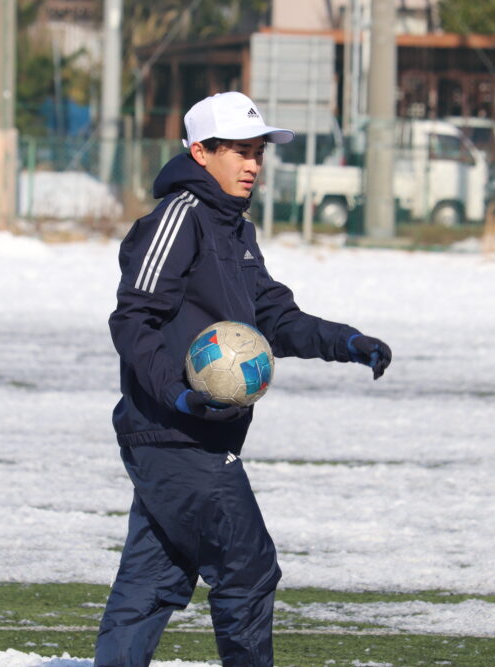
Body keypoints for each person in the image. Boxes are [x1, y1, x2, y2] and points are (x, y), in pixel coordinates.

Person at [97, 91, 391, 666]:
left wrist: (347, 342)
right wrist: (177, 394)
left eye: (258, 151)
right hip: (175, 434)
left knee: (153, 577)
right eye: (239, 150)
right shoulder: (178, 219)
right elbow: (134, 319)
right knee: (248, 568)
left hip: (196, 437)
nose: (253, 164)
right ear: (200, 152)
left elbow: (275, 318)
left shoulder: (234, 230)